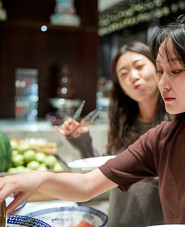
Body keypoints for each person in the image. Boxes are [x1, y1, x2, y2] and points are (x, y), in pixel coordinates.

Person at [0, 15, 185, 227]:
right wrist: (37, 178)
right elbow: (87, 185)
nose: (163, 82)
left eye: (175, 70)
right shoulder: (163, 138)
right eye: (160, 70)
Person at [55, 41, 169, 226]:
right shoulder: (122, 124)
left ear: (158, 68)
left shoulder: (177, 125)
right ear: (121, 86)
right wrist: (82, 141)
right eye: (123, 74)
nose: (133, 76)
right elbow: (106, 174)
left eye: (139, 66)